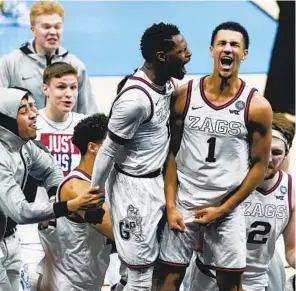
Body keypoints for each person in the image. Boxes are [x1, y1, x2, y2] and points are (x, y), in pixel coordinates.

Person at [153, 21, 273, 291]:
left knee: (230, 286)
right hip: (185, 202)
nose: (227, 49)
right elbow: (170, 153)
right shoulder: (185, 95)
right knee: (166, 283)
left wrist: (224, 209)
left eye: (234, 45)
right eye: (222, 43)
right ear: (211, 50)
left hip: (226, 208)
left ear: (244, 54)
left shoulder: (257, 106)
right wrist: (171, 205)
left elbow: (259, 166)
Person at [91, 22, 191, 291]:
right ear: (162, 57)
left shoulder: (166, 83)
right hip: (133, 191)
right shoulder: (134, 101)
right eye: (182, 51)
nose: (189, 54)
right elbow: (109, 149)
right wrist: (95, 192)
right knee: (140, 276)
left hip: (160, 181)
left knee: (157, 265)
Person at [0, 87, 102, 291]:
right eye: (23, 110)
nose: (34, 113)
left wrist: (55, 197)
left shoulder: (23, 145)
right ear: (6, 122)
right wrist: (69, 205)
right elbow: (21, 212)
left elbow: (51, 169)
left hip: (10, 239)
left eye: (33, 106)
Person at [185, 112, 295, 291]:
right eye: (265, 151)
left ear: (286, 155)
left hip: (255, 283)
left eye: (276, 153)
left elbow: (292, 251)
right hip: (212, 279)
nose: (268, 160)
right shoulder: (225, 178)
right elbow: (195, 239)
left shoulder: (290, 188)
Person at [18, 61, 87, 290]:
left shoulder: (83, 125)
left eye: (73, 87)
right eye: (61, 87)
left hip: (73, 223)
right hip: (36, 220)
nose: (69, 94)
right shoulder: (31, 126)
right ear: (45, 88)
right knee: (32, 280)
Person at [37, 113, 113, 291]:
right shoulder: (76, 187)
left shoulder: (103, 181)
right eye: (113, 142)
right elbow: (115, 232)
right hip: (64, 284)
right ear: (93, 147)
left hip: (87, 281)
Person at [0, 1, 97, 114]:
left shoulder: (75, 66)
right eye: (46, 27)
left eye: (57, 27)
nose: (53, 32)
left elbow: (89, 112)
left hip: (65, 131)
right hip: (22, 131)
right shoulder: (10, 63)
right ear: (33, 30)